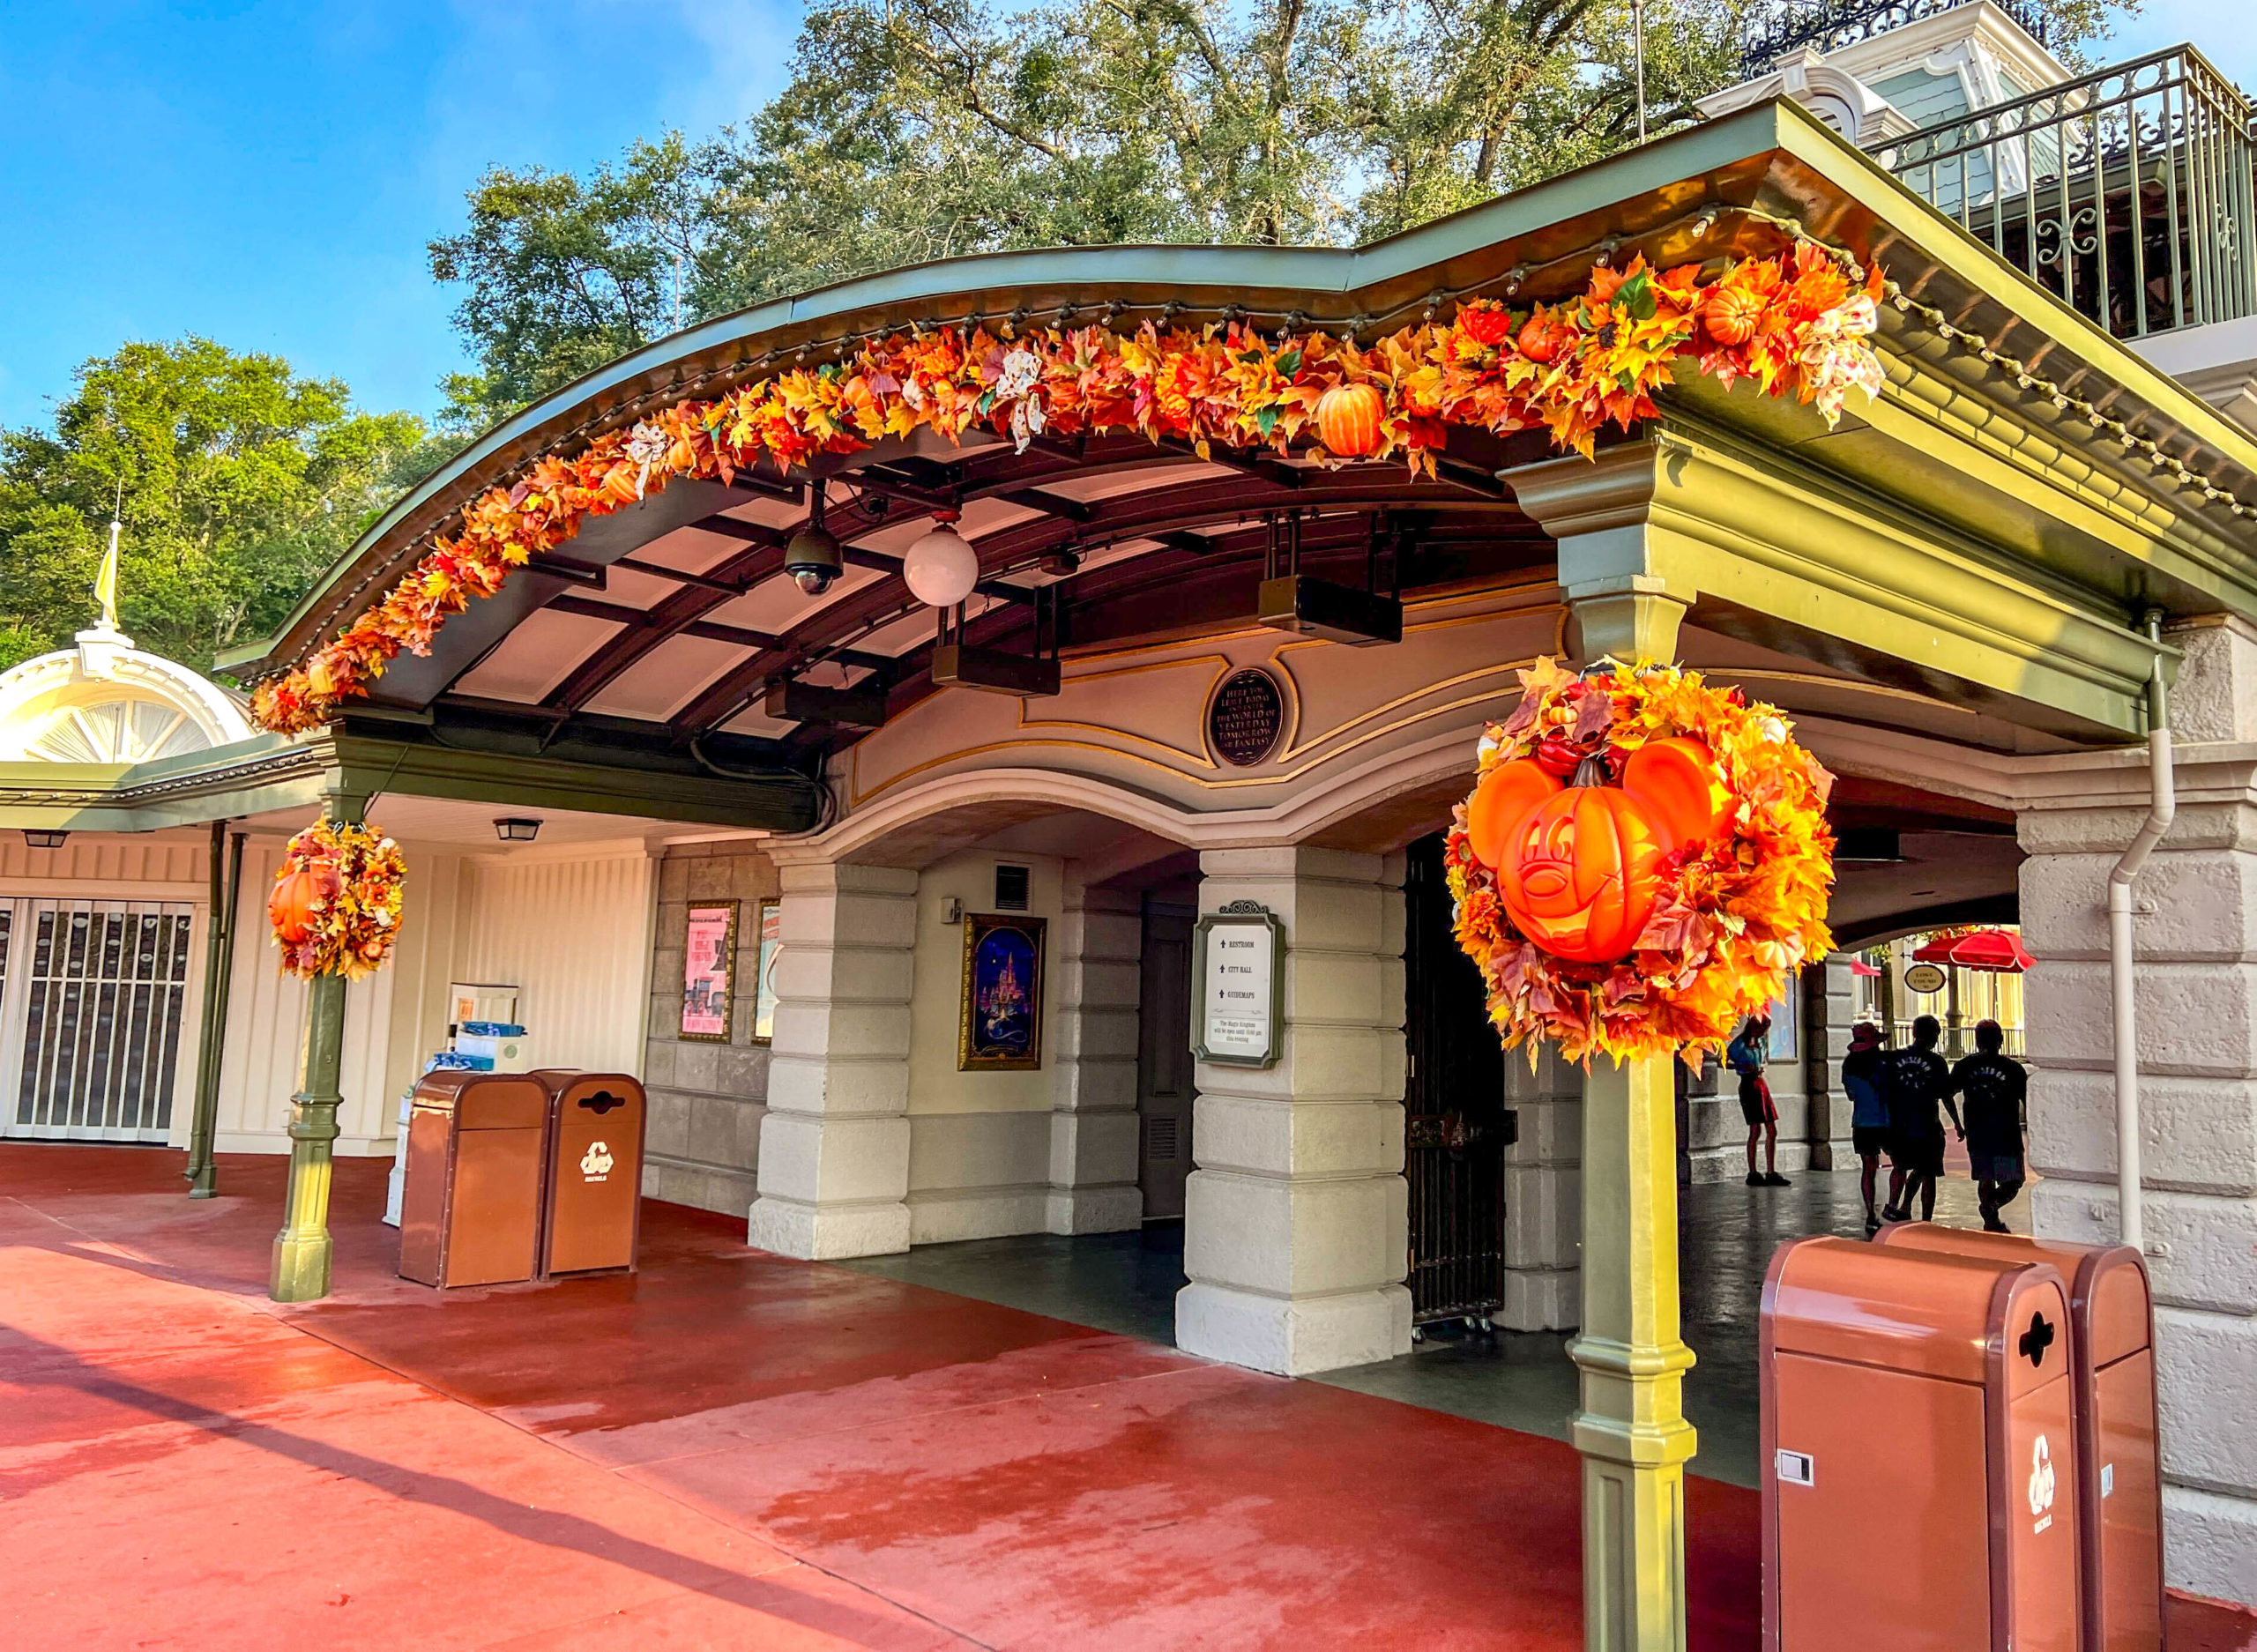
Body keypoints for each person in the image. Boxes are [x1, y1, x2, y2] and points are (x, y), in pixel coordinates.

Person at [1948, 1020, 2029, 1232]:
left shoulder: (1964, 1066)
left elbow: (1946, 1093)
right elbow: (2028, 1101)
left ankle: (1989, 1215)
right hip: (2006, 1133)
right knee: (2014, 1181)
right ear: (2001, 1041)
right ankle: (1990, 1211)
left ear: (1976, 1041)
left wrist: (1957, 1122)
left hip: (1978, 1131)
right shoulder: (2013, 1069)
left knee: (1986, 1177)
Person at [1881, 1015, 1960, 1223]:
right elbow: (1946, 1096)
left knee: (1900, 1166)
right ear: (1934, 1036)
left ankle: (1894, 1205)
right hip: (1928, 1126)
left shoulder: (1895, 1058)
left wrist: (1883, 1124)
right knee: (1928, 1173)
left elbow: (1883, 1092)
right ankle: (1926, 1219)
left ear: (1914, 1033)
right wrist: (1957, 1123)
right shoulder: (1937, 1062)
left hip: (1899, 1125)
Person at [1727, 1014, 1788, 1187]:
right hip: (1748, 1084)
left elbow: (1763, 1059)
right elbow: (1724, 1060)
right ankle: (1752, 1171)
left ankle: (1771, 1171)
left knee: (1771, 1129)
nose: (1762, 1033)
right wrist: (1742, 1066)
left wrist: (1760, 1067)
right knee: (1755, 1130)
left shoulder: (1761, 1042)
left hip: (1760, 1083)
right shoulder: (1739, 1044)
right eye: (1760, 1030)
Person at [1841, 1021, 1889, 1233]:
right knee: (1900, 1163)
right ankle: (1895, 1206)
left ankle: (1871, 1213)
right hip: (1885, 1120)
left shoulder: (1848, 1067)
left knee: (1868, 1168)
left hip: (1861, 1121)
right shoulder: (1881, 1066)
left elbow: (1851, 1095)